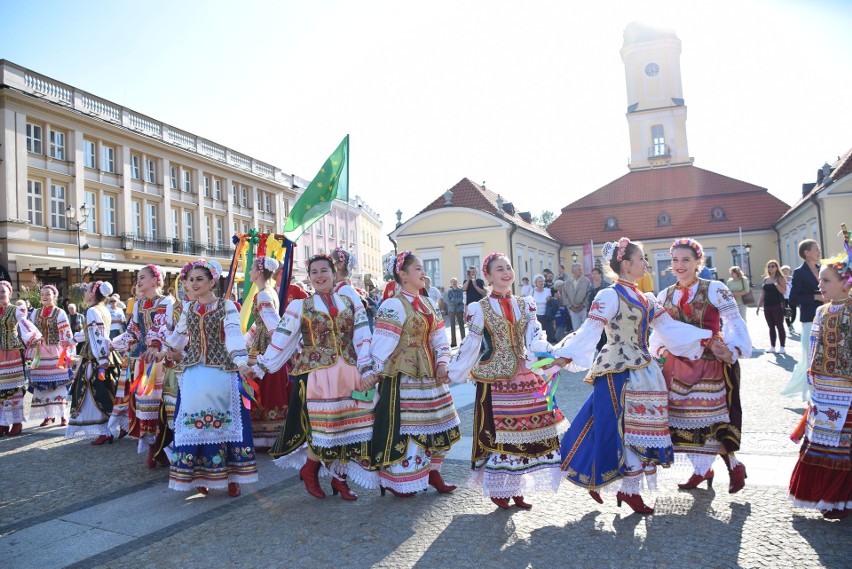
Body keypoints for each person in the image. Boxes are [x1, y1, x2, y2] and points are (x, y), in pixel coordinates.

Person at [551, 238, 711, 515]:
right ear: (626, 264)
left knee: (630, 429)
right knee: (617, 428)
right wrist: (566, 354)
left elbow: (671, 329)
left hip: (645, 369)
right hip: (617, 371)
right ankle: (623, 487)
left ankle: (620, 485)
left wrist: (707, 339)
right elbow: (590, 331)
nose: (646, 263)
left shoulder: (646, 298)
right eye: (641, 259)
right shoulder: (609, 296)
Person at [448, 253, 567, 509]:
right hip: (495, 376)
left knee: (528, 429)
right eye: (499, 269)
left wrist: (551, 355)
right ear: (488, 277)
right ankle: (500, 489)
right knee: (502, 431)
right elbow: (471, 344)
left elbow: (535, 337)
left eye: (508, 267)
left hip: (525, 372)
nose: (506, 272)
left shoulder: (526, 304)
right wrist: (453, 371)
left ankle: (517, 485)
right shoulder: (479, 308)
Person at [255, 254, 378, 500]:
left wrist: (366, 368)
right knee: (325, 428)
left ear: (334, 274)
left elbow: (363, 335)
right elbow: (282, 339)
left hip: (349, 371)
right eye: (314, 272)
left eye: (324, 271)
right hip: (318, 375)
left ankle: (338, 478)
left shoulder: (349, 300)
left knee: (350, 426)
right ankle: (311, 469)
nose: (320, 276)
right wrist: (261, 366)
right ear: (309, 278)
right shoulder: (300, 306)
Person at [653, 238, 753, 494]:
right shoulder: (665, 294)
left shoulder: (714, 288)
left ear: (699, 262)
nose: (679, 265)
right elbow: (658, 332)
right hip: (676, 368)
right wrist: (659, 350)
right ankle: (702, 470)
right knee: (679, 424)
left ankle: (734, 465)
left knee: (710, 424)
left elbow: (733, 321)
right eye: (675, 260)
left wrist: (732, 349)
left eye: (686, 259)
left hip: (708, 365)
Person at [159, 259, 256, 497]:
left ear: (212, 282)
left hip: (221, 372)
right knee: (193, 426)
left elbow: (234, 335)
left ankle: (232, 476)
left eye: (199, 279)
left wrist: (241, 363)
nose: (193, 284)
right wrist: (164, 351)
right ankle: (199, 476)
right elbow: (179, 337)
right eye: (190, 279)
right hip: (193, 374)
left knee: (226, 425)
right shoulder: (189, 309)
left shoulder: (226, 306)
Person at [369, 251, 461, 497]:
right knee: (409, 428)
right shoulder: (393, 305)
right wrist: (373, 371)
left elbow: (439, 337)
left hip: (429, 375)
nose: (423, 273)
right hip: (404, 375)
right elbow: (382, 343)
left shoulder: (428, 303)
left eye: (422, 269)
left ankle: (433, 471)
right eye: (418, 269)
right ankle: (403, 480)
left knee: (440, 424)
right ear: (403, 274)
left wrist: (443, 362)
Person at [788, 225, 852, 519]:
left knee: (844, 446)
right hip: (824, 391)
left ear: (846, 283)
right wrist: (813, 380)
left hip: (848, 390)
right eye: (820, 279)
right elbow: (813, 349)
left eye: (826, 280)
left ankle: (842, 500)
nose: (820, 284)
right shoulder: (821, 311)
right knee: (823, 442)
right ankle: (828, 497)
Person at [110, 264, 175, 468]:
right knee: (146, 406)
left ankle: (167, 448)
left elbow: (163, 328)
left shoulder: (166, 302)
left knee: (164, 405)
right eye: (138, 277)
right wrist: (114, 343)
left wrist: (156, 346)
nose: (138, 280)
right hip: (142, 361)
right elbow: (134, 332)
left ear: (156, 280)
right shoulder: (138, 305)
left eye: (143, 277)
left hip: (161, 361)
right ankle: (153, 448)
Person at [67, 281, 122, 444]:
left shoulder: (92, 310)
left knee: (94, 393)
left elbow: (97, 336)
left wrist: (102, 358)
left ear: (93, 294)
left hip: (95, 358)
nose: (85, 292)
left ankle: (105, 430)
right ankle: (107, 429)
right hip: (103, 356)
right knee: (104, 391)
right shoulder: (103, 309)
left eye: (87, 289)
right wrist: (72, 339)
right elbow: (91, 333)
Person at [243, 256, 288, 452]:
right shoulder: (268, 292)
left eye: (251, 268)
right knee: (268, 390)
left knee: (266, 391)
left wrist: (275, 349)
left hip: (265, 349)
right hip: (262, 345)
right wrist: (242, 342)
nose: (249, 272)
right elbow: (258, 324)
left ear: (259, 272)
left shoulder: (263, 295)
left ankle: (267, 437)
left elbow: (272, 325)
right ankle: (270, 435)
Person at [27, 285, 75, 427]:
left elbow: (66, 334)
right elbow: (30, 330)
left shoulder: (59, 313)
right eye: (42, 294)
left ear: (54, 296)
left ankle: (63, 415)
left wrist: (68, 353)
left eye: (48, 294)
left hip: (56, 352)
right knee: (43, 385)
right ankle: (48, 415)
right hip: (40, 353)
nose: (44, 296)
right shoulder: (35, 313)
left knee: (59, 385)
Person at [783, 240, 825, 400]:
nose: (819, 251)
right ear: (807, 253)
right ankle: (810, 392)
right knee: (810, 356)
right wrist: (815, 296)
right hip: (809, 318)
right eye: (816, 249)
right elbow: (793, 298)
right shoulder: (800, 272)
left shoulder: (823, 269)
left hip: (826, 317)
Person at [0, 281, 42, 436]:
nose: (0, 294)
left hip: (12, 352)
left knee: (13, 389)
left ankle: (16, 422)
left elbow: (24, 323)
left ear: (10, 293)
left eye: (3, 291)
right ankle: (2, 423)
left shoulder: (16, 309)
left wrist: (33, 335)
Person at [757, 259, 787, 354]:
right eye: (769, 266)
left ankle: (782, 346)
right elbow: (763, 293)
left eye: (773, 266)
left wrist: (776, 284)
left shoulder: (780, 278)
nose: (770, 268)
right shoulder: (766, 279)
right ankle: (772, 346)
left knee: (779, 325)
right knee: (771, 326)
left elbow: (783, 291)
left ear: (777, 267)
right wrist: (758, 305)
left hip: (777, 304)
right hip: (767, 305)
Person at [561, 263, 590, 332]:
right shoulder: (567, 283)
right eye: (579, 269)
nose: (581, 271)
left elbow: (589, 294)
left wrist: (583, 305)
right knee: (576, 329)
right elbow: (564, 296)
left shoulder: (586, 281)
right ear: (573, 271)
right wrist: (570, 307)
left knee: (585, 328)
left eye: (581, 269)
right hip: (573, 309)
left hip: (583, 308)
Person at [587, 266, 610, 352]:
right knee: (596, 332)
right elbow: (589, 300)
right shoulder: (591, 287)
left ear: (600, 274)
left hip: (604, 312)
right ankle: (599, 349)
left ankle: (606, 349)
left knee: (605, 333)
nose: (594, 276)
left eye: (595, 274)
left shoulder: (607, 286)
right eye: (592, 274)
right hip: (594, 313)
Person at [531, 275, 554, 343]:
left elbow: (551, 302)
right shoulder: (532, 292)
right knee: (538, 334)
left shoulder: (548, 291)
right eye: (539, 281)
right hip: (536, 315)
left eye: (542, 281)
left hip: (547, 315)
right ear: (536, 283)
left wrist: (550, 299)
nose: (541, 283)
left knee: (548, 334)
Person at [444, 277, 465, 347]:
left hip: (459, 310)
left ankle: (464, 341)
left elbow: (460, 299)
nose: (454, 282)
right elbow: (447, 301)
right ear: (451, 283)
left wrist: (453, 300)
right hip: (451, 310)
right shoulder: (448, 291)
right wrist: (455, 301)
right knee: (452, 326)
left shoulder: (460, 290)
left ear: (457, 282)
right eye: (452, 281)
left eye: (455, 281)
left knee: (461, 326)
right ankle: (453, 342)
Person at [781, 265, 796, 333]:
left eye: (787, 271)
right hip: (784, 298)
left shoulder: (792, 279)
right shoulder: (780, 280)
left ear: (789, 272)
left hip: (792, 298)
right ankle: (789, 326)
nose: (785, 272)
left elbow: (795, 288)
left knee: (794, 312)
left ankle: (791, 322)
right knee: (786, 313)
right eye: (784, 271)